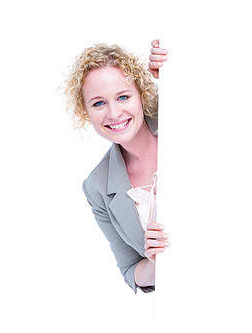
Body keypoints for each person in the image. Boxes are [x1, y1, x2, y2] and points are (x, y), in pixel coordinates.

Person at [61, 40, 169, 293]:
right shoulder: (97, 186)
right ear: (84, 110)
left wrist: (175, 69)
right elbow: (131, 271)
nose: (113, 113)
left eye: (123, 96)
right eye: (99, 103)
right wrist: (158, 262)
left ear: (141, 94)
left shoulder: (179, 115)